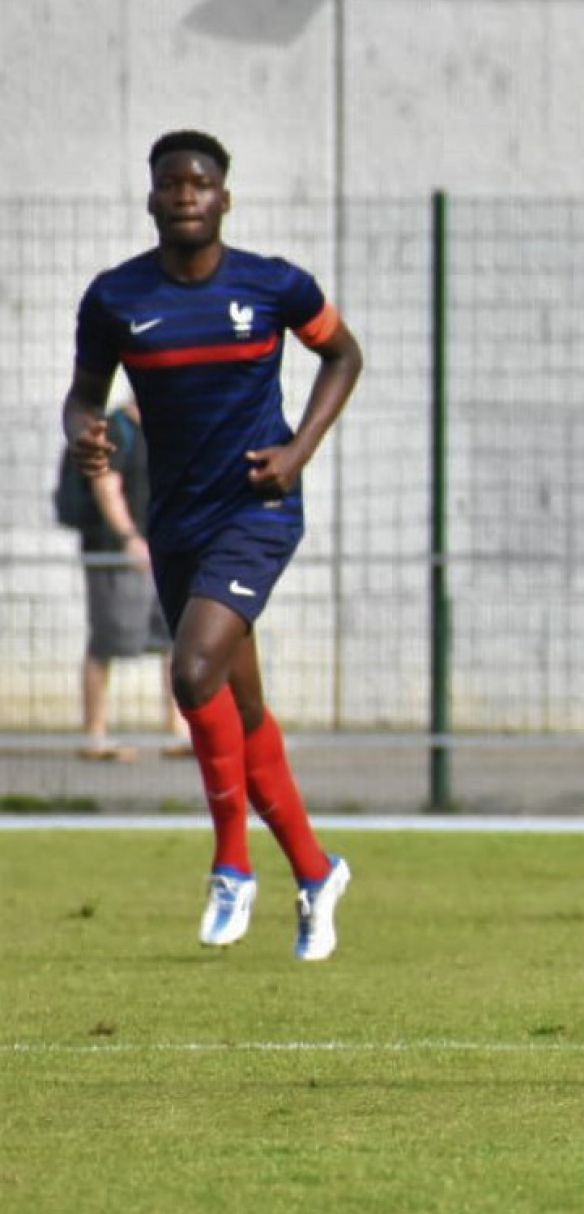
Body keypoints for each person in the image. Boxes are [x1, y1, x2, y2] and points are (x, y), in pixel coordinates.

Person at [64, 130, 362, 960]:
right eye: (172, 184)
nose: (187, 195)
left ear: (224, 198)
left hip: (258, 510)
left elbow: (343, 354)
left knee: (191, 671)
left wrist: (299, 450)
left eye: (201, 183)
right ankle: (315, 868)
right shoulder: (116, 299)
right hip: (178, 521)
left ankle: (232, 862)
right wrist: (86, 432)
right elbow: (83, 398)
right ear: (152, 197)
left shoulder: (274, 285)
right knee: (244, 705)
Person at [71, 397, 189, 762]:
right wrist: (128, 538)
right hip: (118, 553)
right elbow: (106, 483)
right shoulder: (116, 429)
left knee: (173, 640)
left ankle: (178, 732)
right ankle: (95, 735)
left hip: (161, 553)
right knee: (107, 640)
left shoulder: (162, 429)